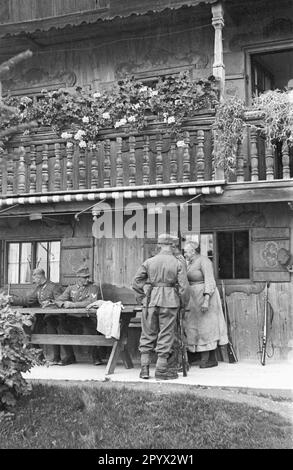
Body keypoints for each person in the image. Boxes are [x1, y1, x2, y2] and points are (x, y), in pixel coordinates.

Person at [132, 234, 190, 380]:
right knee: (166, 334)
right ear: (172, 246)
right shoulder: (177, 263)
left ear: (159, 245)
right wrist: (183, 304)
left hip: (150, 301)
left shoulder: (149, 261)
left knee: (147, 334)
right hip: (170, 301)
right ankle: (161, 370)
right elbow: (184, 288)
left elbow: (136, 282)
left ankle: (144, 370)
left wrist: (142, 299)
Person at [183, 241, 228, 368]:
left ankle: (210, 359)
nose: (184, 254)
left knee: (207, 327)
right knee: (194, 326)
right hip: (193, 299)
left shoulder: (204, 261)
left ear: (193, 251)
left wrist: (206, 300)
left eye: (186, 252)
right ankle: (197, 356)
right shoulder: (190, 263)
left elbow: (210, 280)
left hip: (205, 296)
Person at [10, 267, 63, 364]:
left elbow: (60, 301)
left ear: (39, 276)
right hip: (41, 316)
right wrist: (11, 300)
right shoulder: (38, 288)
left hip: (54, 316)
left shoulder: (53, 287)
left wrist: (51, 303)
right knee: (32, 332)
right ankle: (40, 357)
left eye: (34, 278)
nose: (33, 281)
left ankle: (57, 358)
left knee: (52, 330)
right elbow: (29, 300)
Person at [54, 266, 103, 366]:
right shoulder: (71, 288)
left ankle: (96, 357)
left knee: (93, 330)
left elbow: (91, 302)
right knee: (62, 327)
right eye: (84, 278)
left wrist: (73, 305)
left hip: (88, 316)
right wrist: (63, 304)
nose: (87, 279)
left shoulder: (93, 287)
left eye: (88, 277)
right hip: (74, 317)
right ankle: (70, 356)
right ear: (78, 278)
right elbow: (58, 300)